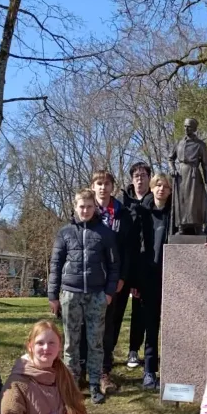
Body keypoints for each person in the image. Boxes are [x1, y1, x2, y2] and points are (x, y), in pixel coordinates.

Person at [49, 188, 120, 404]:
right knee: (71, 343)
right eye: (82, 207)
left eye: (89, 207)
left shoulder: (105, 233)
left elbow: (114, 265)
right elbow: (56, 264)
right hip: (70, 294)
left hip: (97, 295)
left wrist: (109, 293)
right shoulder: (65, 233)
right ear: (75, 207)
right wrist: (53, 295)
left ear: (94, 208)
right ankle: (72, 385)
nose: (85, 210)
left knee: (95, 342)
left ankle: (95, 384)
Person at [85, 170, 136, 395]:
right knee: (85, 325)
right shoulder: (85, 210)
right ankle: (82, 370)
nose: (103, 187)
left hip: (113, 281)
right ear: (93, 186)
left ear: (112, 187)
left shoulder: (122, 214)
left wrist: (122, 277)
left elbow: (129, 250)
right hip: (88, 278)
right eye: (99, 183)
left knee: (108, 326)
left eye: (107, 184)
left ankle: (104, 371)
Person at [137, 174, 173, 390]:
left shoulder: (175, 213)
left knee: (171, 328)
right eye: (158, 185)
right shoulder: (142, 213)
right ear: (151, 188)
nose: (161, 189)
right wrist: (136, 280)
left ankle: (171, 370)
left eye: (165, 186)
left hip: (171, 276)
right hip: (148, 277)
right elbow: (135, 247)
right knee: (151, 328)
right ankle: (149, 371)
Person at [124, 161, 154, 371]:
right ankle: (131, 349)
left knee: (146, 312)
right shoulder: (125, 202)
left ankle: (148, 352)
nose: (140, 179)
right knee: (132, 312)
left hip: (151, 265)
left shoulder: (156, 201)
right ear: (132, 179)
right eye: (137, 176)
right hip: (130, 265)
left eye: (144, 175)